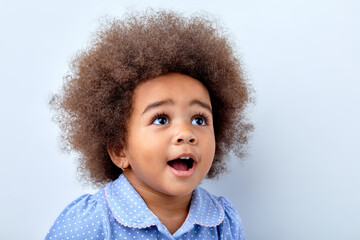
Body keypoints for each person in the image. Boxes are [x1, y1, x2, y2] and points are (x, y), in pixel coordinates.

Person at [45, 10, 253, 240]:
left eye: (199, 119)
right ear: (119, 149)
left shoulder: (222, 223)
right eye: (161, 119)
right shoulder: (88, 224)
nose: (186, 133)